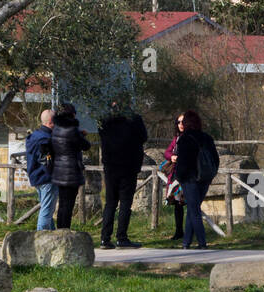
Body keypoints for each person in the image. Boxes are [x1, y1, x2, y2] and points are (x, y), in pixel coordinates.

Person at [97, 102, 149, 249]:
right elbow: (143, 137)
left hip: (111, 166)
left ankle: (104, 239)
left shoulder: (105, 121)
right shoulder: (134, 120)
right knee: (125, 203)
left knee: (110, 203)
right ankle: (122, 237)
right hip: (128, 165)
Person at [173, 108, 217, 250]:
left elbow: (182, 163)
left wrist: (179, 177)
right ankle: (186, 242)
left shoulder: (185, 139)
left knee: (194, 210)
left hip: (190, 179)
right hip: (205, 178)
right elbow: (215, 159)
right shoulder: (207, 138)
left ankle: (202, 242)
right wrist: (210, 175)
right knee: (193, 209)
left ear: (186, 123)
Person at [49, 103, 90, 230]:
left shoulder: (55, 129)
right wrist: (82, 135)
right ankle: (65, 231)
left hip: (59, 171)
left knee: (62, 204)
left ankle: (60, 230)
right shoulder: (72, 130)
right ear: (72, 114)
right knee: (69, 205)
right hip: (71, 171)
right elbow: (85, 146)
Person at [25, 109, 57, 230]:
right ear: (51, 122)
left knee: (47, 210)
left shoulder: (34, 136)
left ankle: (52, 239)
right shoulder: (46, 139)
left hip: (36, 177)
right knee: (46, 212)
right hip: (47, 178)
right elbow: (47, 161)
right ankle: (41, 240)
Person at [160, 118, 185, 241]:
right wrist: (173, 156)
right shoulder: (177, 138)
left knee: (190, 204)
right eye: (178, 122)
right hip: (175, 175)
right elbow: (167, 153)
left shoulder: (191, 137)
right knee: (177, 204)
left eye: (183, 122)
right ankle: (179, 231)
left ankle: (193, 232)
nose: (181, 124)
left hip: (187, 175)